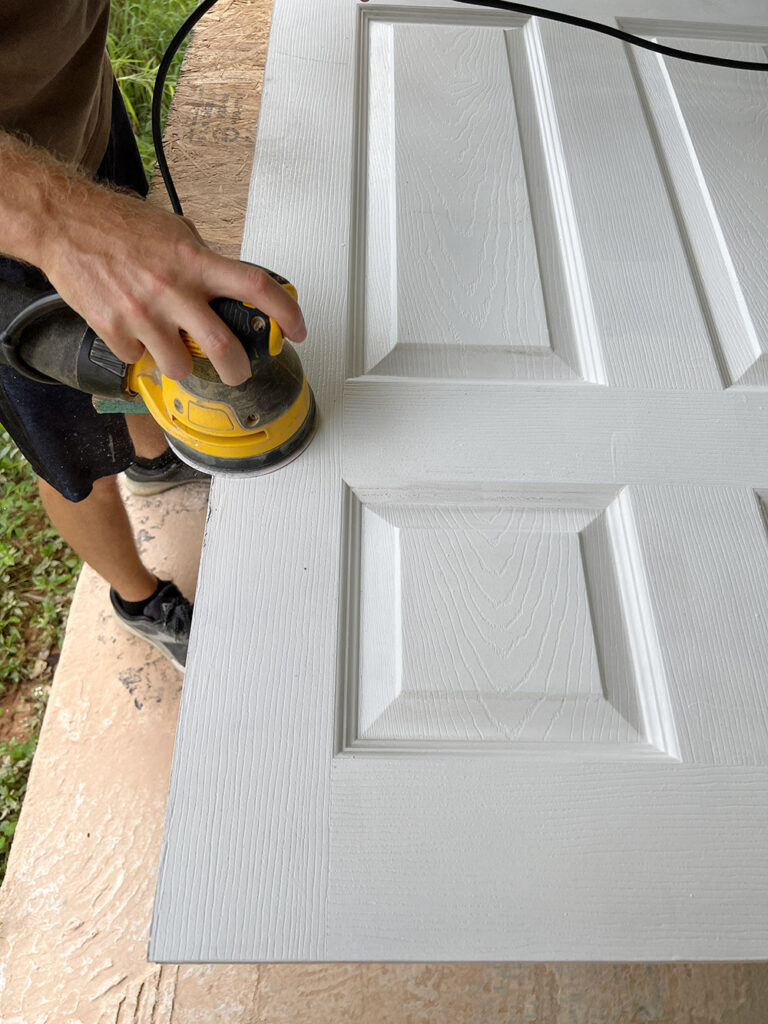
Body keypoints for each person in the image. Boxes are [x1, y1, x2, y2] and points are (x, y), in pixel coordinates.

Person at [0, 1, 306, 670]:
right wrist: (53, 219)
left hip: (78, 119)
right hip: (15, 229)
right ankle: (138, 600)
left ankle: (152, 458)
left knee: (142, 345)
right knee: (70, 451)